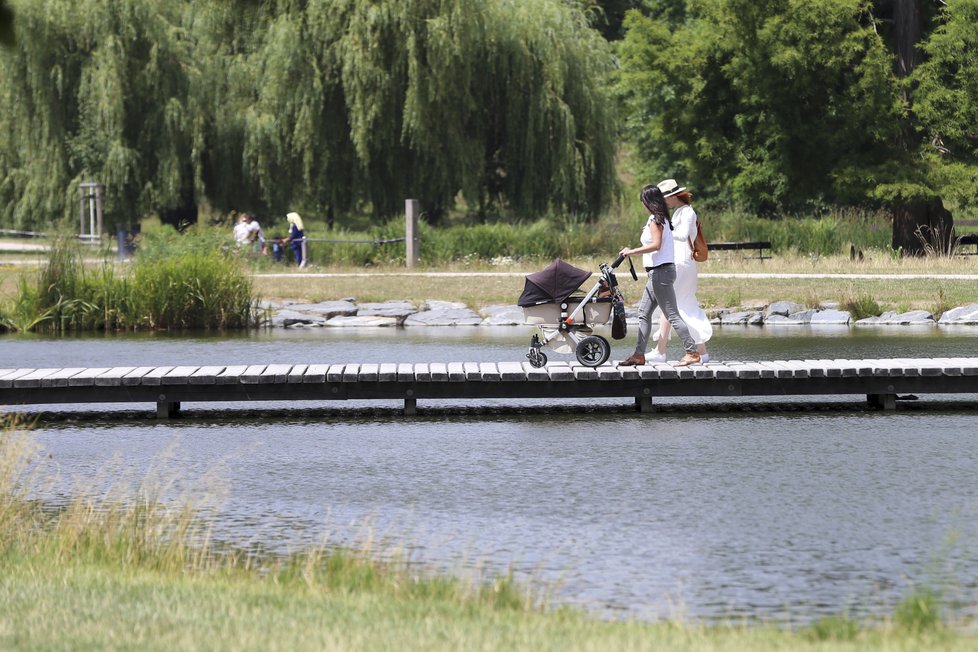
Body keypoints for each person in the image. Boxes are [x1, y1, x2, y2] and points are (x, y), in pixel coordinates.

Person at [618, 184, 701, 367]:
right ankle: (639, 355)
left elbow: (656, 245)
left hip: (661, 273)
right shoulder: (661, 218)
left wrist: (631, 252)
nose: (642, 204)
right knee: (643, 313)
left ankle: (692, 352)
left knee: (672, 314)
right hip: (657, 273)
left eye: (643, 201)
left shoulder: (656, 219)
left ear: (648, 201)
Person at [648, 179, 712, 362]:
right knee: (680, 306)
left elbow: (683, 235)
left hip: (682, 263)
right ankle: (702, 352)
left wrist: (662, 232)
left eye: (665, 198)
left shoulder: (687, 212)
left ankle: (661, 352)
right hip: (682, 263)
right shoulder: (680, 211)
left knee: (669, 306)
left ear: (674, 196)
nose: (663, 202)